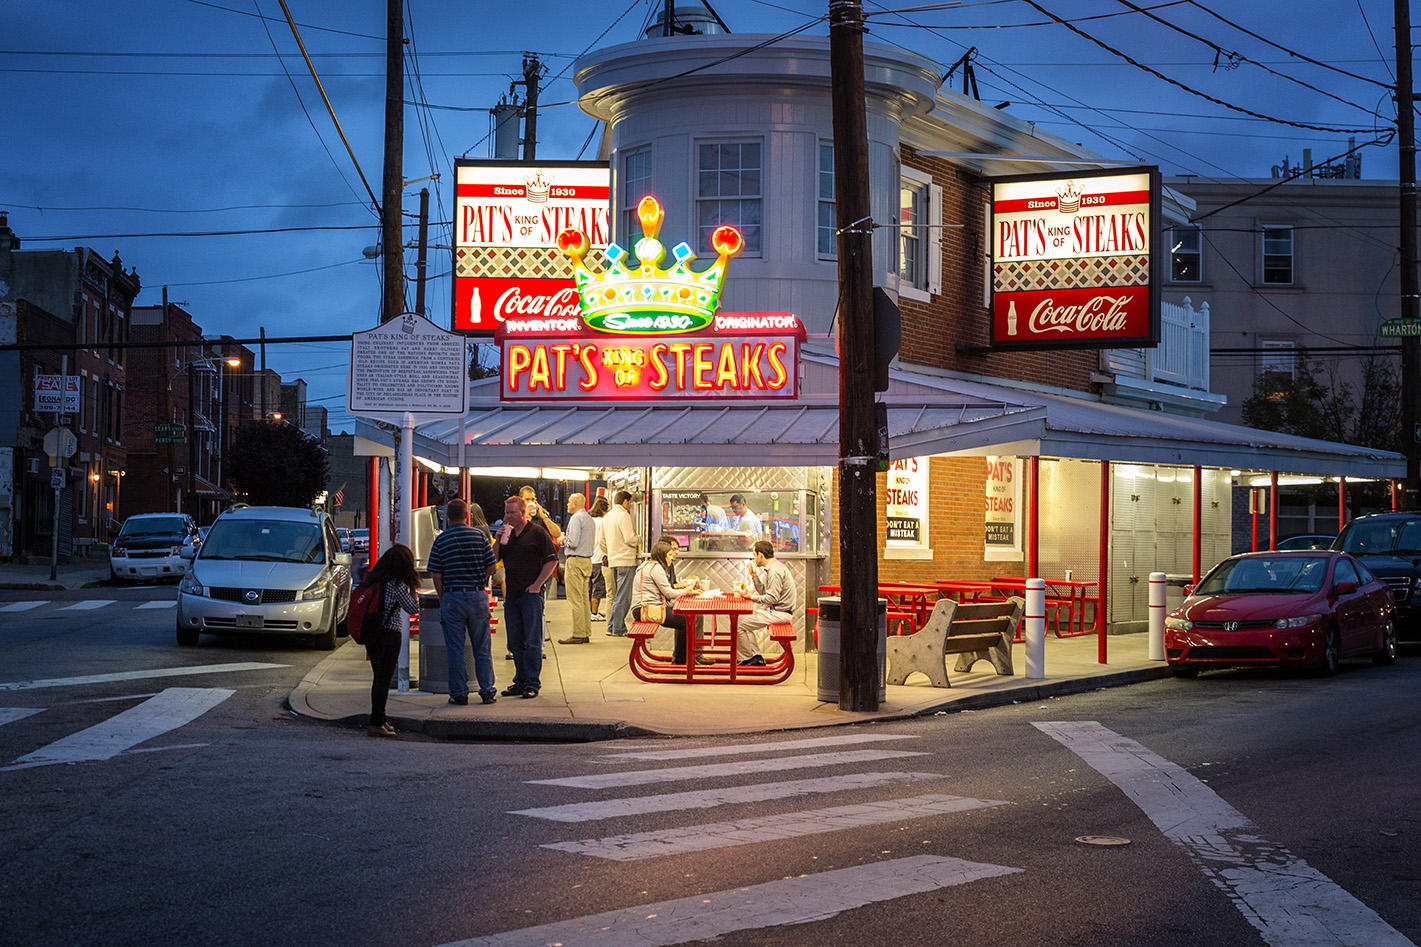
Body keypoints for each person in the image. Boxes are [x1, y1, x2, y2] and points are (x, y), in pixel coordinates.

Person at [427, 499, 498, 706]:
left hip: (452, 596)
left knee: (455, 648)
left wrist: (443, 598)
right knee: (482, 647)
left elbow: (436, 574)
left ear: (447, 516)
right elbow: (492, 567)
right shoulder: (480, 536)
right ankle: (487, 690)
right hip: (477, 595)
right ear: (467, 515)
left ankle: (459, 693)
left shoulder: (441, 540)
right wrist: (478, 578)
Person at [492, 495, 559, 698]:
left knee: (532, 641)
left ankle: (532, 683)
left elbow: (551, 560)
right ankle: (520, 681)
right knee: (514, 642)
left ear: (523, 513)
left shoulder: (537, 533)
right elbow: (493, 561)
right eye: (506, 513)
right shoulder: (507, 535)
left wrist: (537, 584)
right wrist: (497, 540)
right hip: (511, 595)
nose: (508, 516)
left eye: (512, 512)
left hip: (530, 595)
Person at [360, 543, 421, 736]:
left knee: (378, 677)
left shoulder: (374, 580)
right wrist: (414, 593)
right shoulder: (397, 584)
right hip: (390, 633)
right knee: (383, 680)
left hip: (372, 634)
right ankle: (376, 723)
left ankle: (380, 719)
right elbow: (412, 609)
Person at [632, 540, 701, 664]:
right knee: (686, 621)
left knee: (685, 618)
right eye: (669, 555)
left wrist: (686, 591)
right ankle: (680, 661)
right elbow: (669, 592)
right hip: (647, 609)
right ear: (661, 555)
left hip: (644, 607)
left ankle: (682, 658)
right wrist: (687, 591)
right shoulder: (656, 568)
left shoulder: (648, 565)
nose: (671, 558)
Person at [736, 540, 795, 666]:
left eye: (754, 555)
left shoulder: (774, 571)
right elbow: (765, 591)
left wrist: (751, 597)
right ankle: (755, 657)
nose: (754, 558)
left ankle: (748, 659)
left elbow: (771, 598)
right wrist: (754, 577)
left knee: (738, 623)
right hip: (776, 611)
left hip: (779, 613)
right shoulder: (774, 567)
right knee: (742, 621)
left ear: (760, 555)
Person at [558, 492, 596, 644]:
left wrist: (562, 540)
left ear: (574, 503)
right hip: (587, 560)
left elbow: (572, 542)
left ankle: (578, 633)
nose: (567, 504)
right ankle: (586, 631)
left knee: (575, 599)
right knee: (583, 598)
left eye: (568, 502)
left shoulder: (576, 518)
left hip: (575, 561)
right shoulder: (589, 519)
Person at [603, 490, 640, 637]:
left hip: (613, 560)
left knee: (618, 595)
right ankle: (618, 628)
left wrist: (611, 553)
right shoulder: (624, 515)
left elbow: (602, 541)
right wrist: (640, 538)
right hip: (626, 560)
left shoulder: (608, 516)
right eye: (630, 502)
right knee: (623, 597)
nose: (630, 505)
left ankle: (611, 626)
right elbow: (629, 538)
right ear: (625, 501)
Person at [588, 496, 611, 620]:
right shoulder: (603, 522)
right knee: (597, 588)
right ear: (603, 511)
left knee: (588, 588)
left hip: (588, 558)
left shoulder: (589, 520)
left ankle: (590, 612)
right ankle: (595, 613)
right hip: (599, 558)